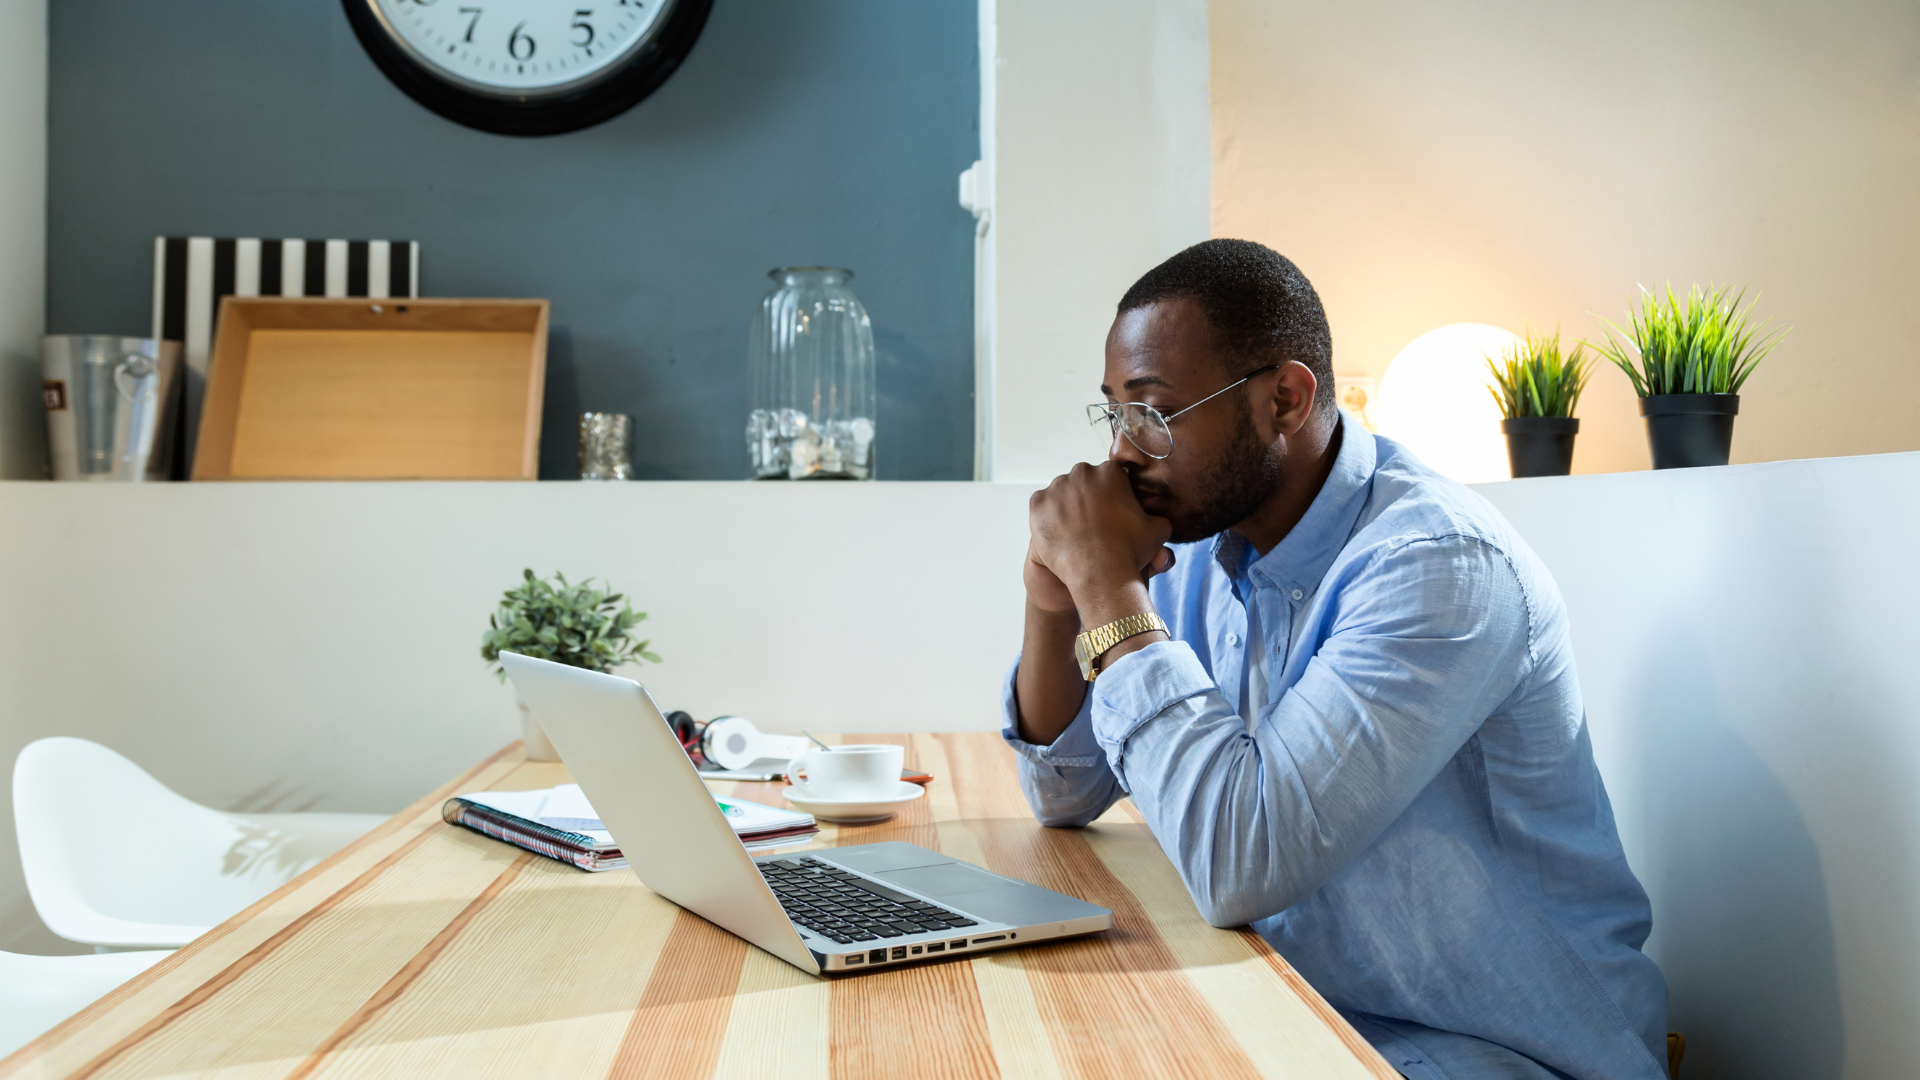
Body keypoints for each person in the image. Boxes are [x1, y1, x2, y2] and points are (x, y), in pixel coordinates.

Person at [1006, 239, 1669, 1080]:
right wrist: (1055, 593)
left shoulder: (1438, 567)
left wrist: (1104, 583)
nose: (1127, 452)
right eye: (1116, 414)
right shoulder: (1203, 545)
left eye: (1155, 413)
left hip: (1501, 1053)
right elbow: (1063, 790)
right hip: (1302, 1013)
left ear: (1284, 398)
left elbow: (1239, 862)